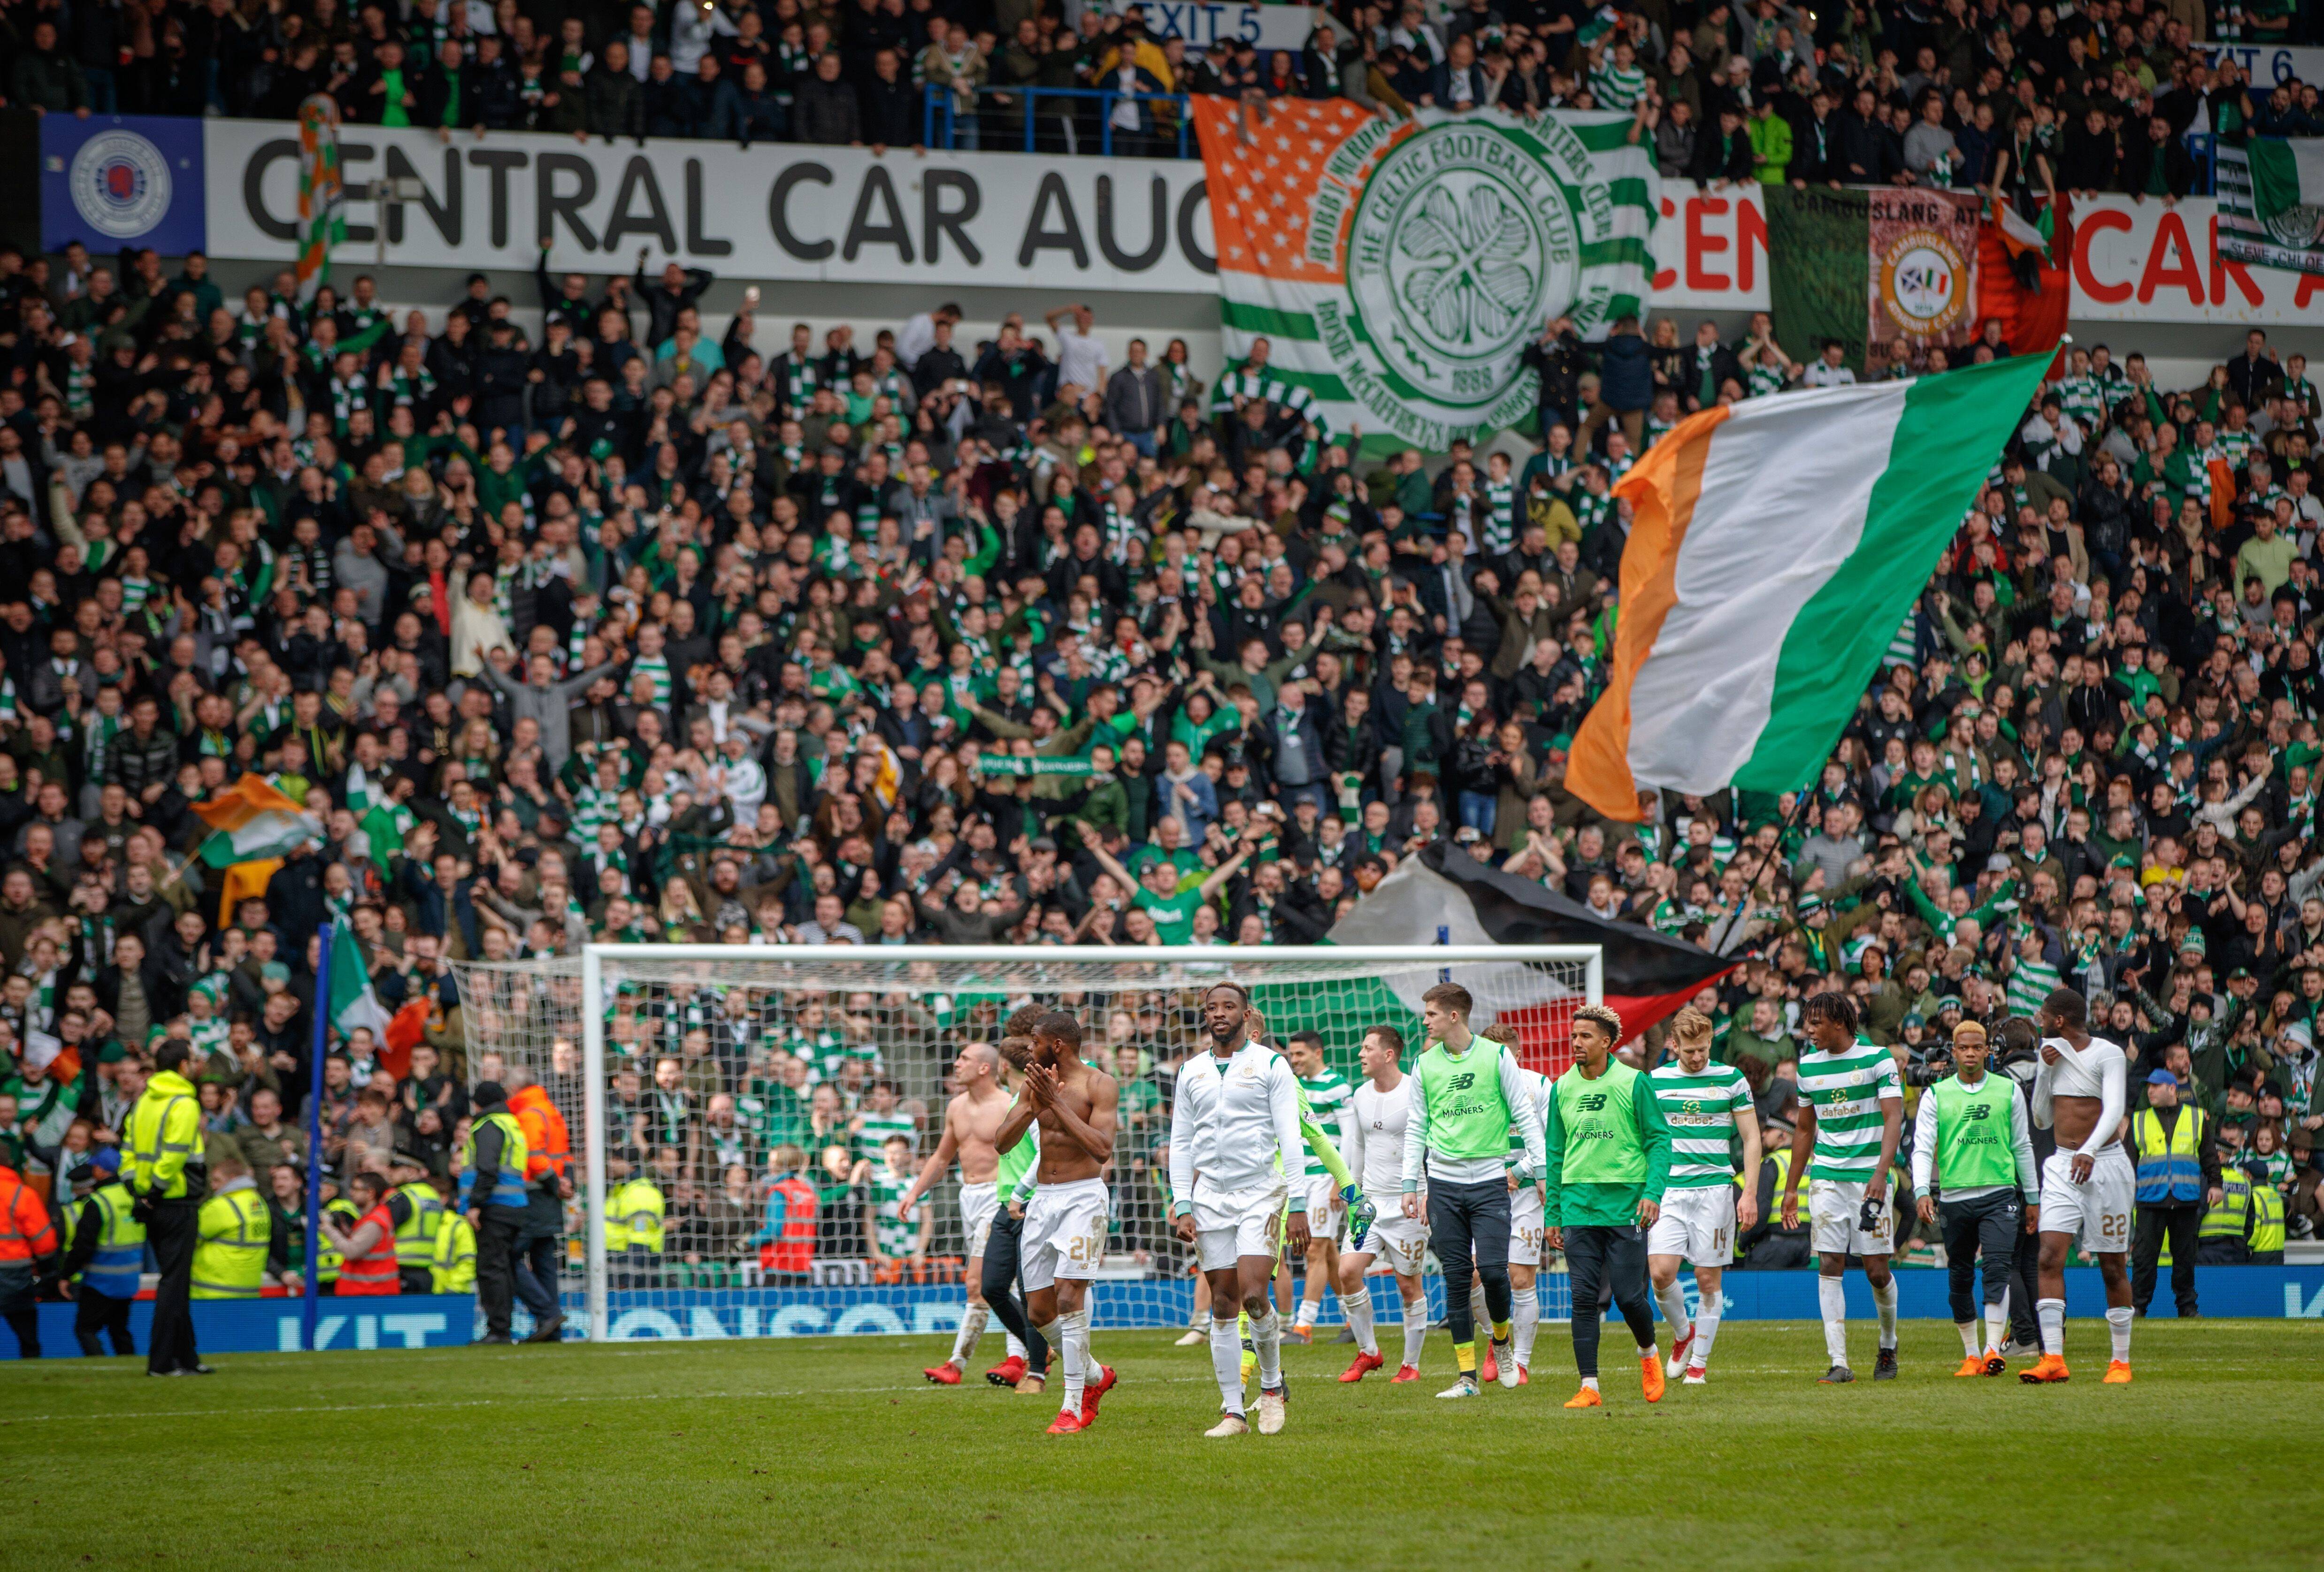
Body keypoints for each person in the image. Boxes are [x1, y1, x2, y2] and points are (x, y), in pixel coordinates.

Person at [1168, 982, 1307, 1437]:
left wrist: (1300, 1202)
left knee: (1252, 1294)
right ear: (1205, 1015)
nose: (1220, 1013)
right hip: (1209, 1196)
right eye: (1212, 1007)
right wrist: (1182, 1201)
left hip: (1260, 1191)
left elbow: (1291, 1134)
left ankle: (1270, 1387)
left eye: (1229, 1006)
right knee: (1223, 1302)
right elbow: (1181, 1141)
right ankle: (1233, 1412)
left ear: (1246, 1014)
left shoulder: (1271, 1064)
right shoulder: (1190, 1071)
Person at [1398, 981, 1546, 1400]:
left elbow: (1525, 1114)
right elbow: (1416, 1127)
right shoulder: (1424, 1064)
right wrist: (1411, 1183)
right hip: (1443, 1185)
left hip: (1489, 1182)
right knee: (1458, 1277)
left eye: (1429, 1013)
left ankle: (1500, 1342)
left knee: (1497, 1274)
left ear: (1452, 1016)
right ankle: (1466, 1378)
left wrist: (1541, 1171)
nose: (1423, 1020)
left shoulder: (1497, 1056)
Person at [1542, 1003, 1671, 1408]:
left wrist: (1652, 1193)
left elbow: (1658, 1141)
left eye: (1584, 1036)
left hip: (1627, 1205)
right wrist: (1554, 1214)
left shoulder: (1634, 1082)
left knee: (1630, 1297)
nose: (1575, 1042)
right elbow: (1555, 1155)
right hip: (1579, 1205)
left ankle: (1648, 1355)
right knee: (1582, 1298)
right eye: (1573, 1034)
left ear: (1606, 1042)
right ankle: (1589, 1387)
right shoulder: (1561, 1087)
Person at [999, 1010, 1119, 1435]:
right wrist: (1033, 1105)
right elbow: (1001, 1143)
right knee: (1038, 1311)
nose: (1028, 1048)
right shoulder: (1033, 1085)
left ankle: (1070, 1408)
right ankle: (1093, 1375)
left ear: (1058, 1045)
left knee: (1070, 1300)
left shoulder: (1099, 1084)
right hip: (1042, 1201)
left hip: (1083, 1198)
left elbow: (1101, 1148)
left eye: (1034, 1041)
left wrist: (1054, 1105)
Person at [1780, 991, 1904, 1384]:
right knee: (1829, 1263)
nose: (1808, 1030)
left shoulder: (1877, 1059)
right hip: (1827, 1178)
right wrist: (1790, 1188)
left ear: (1839, 1022)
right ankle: (1839, 1361)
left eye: (1815, 1023)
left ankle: (1888, 1345)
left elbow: (1893, 1119)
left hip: (1868, 1177)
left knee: (1876, 1270)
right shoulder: (1807, 1067)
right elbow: (1804, 1128)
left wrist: (1881, 1174)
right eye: (1807, 1023)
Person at [1910, 1020, 2038, 1376]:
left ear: (1987, 1051)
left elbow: (2022, 1145)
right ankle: (1970, 1355)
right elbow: (1922, 1148)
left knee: (1997, 1268)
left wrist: (2033, 1197)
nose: (1969, 1054)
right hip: (1954, 1196)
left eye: (1976, 1047)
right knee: (1960, 1275)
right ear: (1953, 1051)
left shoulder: (2008, 1090)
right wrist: (1922, 1189)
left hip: (1999, 1194)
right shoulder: (1935, 1095)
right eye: (1962, 1048)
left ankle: (1992, 1349)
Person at [2023, 986, 2134, 1384]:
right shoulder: (2049, 1056)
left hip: (2105, 1166)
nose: (2037, 1021)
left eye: (2042, 1015)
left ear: (2058, 1021)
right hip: (2060, 1166)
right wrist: (2045, 1071)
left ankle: (2119, 1361)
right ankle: (2053, 1357)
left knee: (2111, 1266)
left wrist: (2088, 1150)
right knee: (2049, 1257)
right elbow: (2040, 1120)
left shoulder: (2108, 1054)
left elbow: (2115, 1108)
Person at [1646, 1006, 1760, 1386]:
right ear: (1673, 1045)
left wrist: (1749, 1194)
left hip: (1714, 1190)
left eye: (1703, 1049)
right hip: (1669, 1191)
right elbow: (1643, 1139)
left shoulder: (1731, 1078)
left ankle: (1699, 1364)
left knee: (1708, 1280)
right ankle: (1683, 1334)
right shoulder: (1656, 1080)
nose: (1696, 1057)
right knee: (1661, 1274)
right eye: (1689, 1050)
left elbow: (1751, 1138)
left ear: (1711, 1042)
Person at [897, 1039, 1019, 1386]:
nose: (956, 1064)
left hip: (1001, 1197)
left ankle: (960, 1364)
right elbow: (941, 1157)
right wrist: (915, 1192)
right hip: (969, 1197)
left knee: (977, 1283)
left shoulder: (1007, 1105)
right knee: (996, 1284)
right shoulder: (956, 1107)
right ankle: (1023, 1354)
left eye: (964, 1058)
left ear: (985, 1068)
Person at [1337, 1025, 1429, 1384]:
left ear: (1388, 1055)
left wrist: (1427, 1191)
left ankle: (1411, 1365)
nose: (1361, 1054)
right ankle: (1370, 1353)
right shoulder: (1360, 1095)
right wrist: (1353, 1189)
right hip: (1369, 1204)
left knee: (1409, 1286)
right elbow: (1359, 1145)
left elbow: (1429, 1146)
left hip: (1408, 1203)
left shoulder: (1415, 1092)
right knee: (1347, 1272)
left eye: (1367, 1048)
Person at [125, 1037, 208, 1375]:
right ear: (184, 1066)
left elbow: (129, 1149)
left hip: (152, 1202)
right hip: (177, 1201)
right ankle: (161, 1362)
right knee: (174, 1283)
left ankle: (187, 1358)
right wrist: (157, 1191)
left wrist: (138, 1192)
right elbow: (174, 1155)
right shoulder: (184, 1103)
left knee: (175, 1279)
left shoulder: (145, 1101)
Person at [1475, 1021, 1550, 1385]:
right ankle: (1497, 1339)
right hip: (1481, 1188)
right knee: (1475, 1273)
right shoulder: (1473, 1085)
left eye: (1503, 1054)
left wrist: (1521, 1172)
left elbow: (1552, 1139)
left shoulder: (1538, 1085)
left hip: (1523, 1193)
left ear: (1517, 1054)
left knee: (1520, 1278)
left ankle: (1519, 1362)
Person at [2125, 1067, 2217, 1318]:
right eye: (2149, 1087)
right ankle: (2138, 1307)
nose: (2151, 1091)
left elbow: (2209, 1154)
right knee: (2144, 1260)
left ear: (2172, 1089)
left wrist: (2216, 1184)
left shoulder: (2197, 1117)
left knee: (2185, 1260)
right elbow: (2126, 1164)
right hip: (2149, 1201)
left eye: (2156, 1086)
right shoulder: (2139, 1120)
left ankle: (2187, 1308)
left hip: (2185, 1199)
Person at [1282, 1029, 1353, 1342]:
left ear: (1317, 1053)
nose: (1293, 1060)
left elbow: (1350, 1135)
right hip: (1301, 1178)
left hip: (1326, 1179)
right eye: (1291, 1055)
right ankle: (1352, 1319)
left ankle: (1304, 1325)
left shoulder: (1336, 1086)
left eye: (1299, 1054)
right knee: (1327, 1253)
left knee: (1315, 1249)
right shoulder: (1292, 1085)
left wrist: (1341, 1180)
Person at [460, 1079, 532, 1344]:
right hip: (514, 1206)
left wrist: (476, 1204)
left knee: (491, 1268)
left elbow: (487, 1169)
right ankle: (503, 1327)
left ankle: (498, 1331)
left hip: (495, 1207)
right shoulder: (511, 1123)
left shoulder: (489, 1125)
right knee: (503, 1268)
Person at [508, 1070, 574, 1342]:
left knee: (507, 1257)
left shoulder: (529, 1114)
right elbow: (565, 1154)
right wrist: (566, 1182)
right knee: (544, 1261)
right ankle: (552, 1327)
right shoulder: (551, 1110)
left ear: (515, 1088)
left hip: (534, 1196)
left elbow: (534, 1158)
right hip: (550, 1198)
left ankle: (547, 1314)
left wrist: (554, 1184)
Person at [57, 1146, 141, 1356]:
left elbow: (84, 1244)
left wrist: (66, 1275)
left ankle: (99, 1364)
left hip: (101, 1280)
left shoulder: (98, 1202)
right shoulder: (131, 1198)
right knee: (119, 1330)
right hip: (129, 1278)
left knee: (86, 1329)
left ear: (102, 1171)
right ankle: (129, 1366)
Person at [191, 1154, 273, 1300]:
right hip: (249, 1291)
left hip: (212, 1292)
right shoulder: (259, 1203)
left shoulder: (222, 1206)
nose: (213, 1186)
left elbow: (187, 1239)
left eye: (217, 1180)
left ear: (233, 1178)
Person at [0, 1154, 58, 1357]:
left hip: (12, 1270)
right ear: (9, 1163)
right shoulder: (22, 1194)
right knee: (27, 1335)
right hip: (14, 1272)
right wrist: (47, 1268)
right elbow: (44, 1240)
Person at [319, 1171, 402, 1295]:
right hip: (369, 1292)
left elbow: (352, 1251)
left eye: (356, 1189)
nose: (351, 1193)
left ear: (370, 1193)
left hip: (367, 1294)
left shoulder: (374, 1222)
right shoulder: (374, 1217)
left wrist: (327, 1229)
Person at [386, 1152, 447, 1294]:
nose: (390, 1172)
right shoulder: (433, 1195)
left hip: (402, 1270)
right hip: (427, 1270)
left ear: (411, 1171)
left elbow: (382, 1231)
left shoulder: (403, 1197)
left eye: (395, 1168)